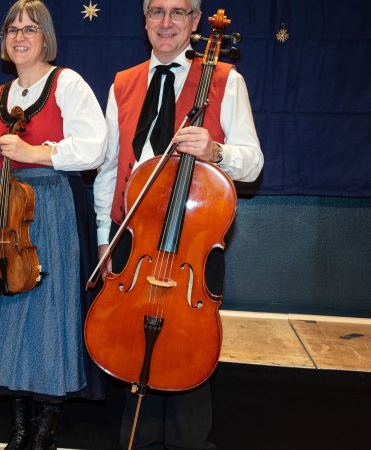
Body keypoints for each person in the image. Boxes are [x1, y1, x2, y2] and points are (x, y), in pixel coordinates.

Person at [92, 0, 264, 449]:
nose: (166, 23)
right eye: (156, 12)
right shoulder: (123, 83)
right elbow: (110, 168)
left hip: (192, 239)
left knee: (187, 351)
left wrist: (215, 152)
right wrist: (102, 239)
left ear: (194, 22)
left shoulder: (226, 79)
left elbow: (252, 162)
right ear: (144, 20)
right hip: (132, 235)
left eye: (179, 12)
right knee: (131, 347)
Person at [0, 1, 107, 449]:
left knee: (48, 317)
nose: (20, 37)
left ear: (46, 38)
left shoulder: (68, 84)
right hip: (2, 212)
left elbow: (94, 149)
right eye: (12, 30)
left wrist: (37, 152)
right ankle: (19, 430)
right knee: (5, 314)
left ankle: (43, 433)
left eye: (30, 29)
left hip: (51, 208)